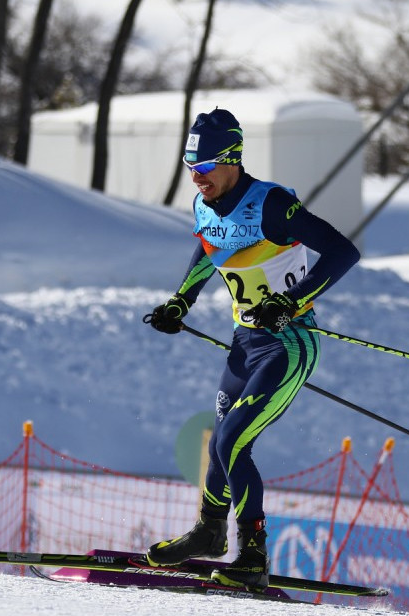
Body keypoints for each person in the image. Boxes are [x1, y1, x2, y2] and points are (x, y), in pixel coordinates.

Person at [144, 108, 360, 590]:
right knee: (222, 446)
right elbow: (208, 247)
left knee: (231, 441)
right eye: (189, 167)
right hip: (245, 344)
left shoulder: (270, 205)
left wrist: (291, 300)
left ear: (232, 160)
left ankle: (254, 552)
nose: (196, 178)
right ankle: (209, 532)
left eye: (204, 168)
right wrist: (181, 301)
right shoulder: (206, 204)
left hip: (288, 344)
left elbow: (344, 251)